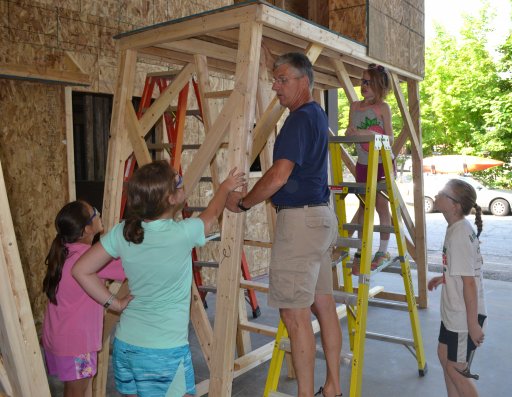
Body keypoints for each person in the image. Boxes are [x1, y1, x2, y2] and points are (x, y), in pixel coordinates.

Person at [72, 160, 245, 397]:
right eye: (179, 182)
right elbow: (212, 213)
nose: (182, 182)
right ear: (171, 199)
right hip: (163, 352)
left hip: (125, 346)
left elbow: (80, 270)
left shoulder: (124, 232)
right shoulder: (182, 233)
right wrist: (225, 188)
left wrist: (115, 303)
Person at [226, 52, 342, 397]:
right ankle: (333, 388)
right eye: (274, 79)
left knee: (294, 315)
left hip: (301, 223)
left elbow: (278, 176)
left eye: (282, 79)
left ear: (304, 82)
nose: (275, 86)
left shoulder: (297, 120)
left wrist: (244, 203)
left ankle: (307, 394)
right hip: (320, 218)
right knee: (323, 305)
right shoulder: (317, 115)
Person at [42, 200, 126, 397]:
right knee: (76, 392)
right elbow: (129, 267)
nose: (98, 212)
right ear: (87, 229)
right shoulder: (91, 257)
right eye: (94, 212)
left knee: (79, 389)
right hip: (76, 345)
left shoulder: (64, 250)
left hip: (58, 338)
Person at [427, 179, 487, 397]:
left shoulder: (459, 234)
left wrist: (472, 324)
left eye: (443, 193)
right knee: (444, 357)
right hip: (455, 314)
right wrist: (443, 278)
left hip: (464, 318)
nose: (437, 194)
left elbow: (469, 282)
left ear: (455, 205)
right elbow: (463, 271)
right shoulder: (456, 228)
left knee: (457, 370)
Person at [345, 63, 394, 275]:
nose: (363, 86)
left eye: (368, 82)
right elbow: (349, 134)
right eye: (361, 81)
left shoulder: (383, 108)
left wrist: (370, 134)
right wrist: (351, 133)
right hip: (364, 163)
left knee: (381, 205)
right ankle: (359, 251)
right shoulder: (355, 106)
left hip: (382, 162)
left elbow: (390, 138)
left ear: (378, 86)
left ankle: (383, 251)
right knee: (364, 205)